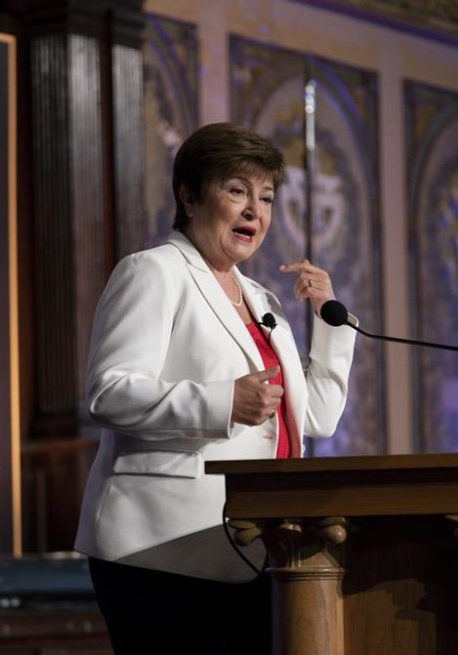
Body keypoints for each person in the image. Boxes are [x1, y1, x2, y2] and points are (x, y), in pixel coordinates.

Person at [74, 122, 357, 654]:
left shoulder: (263, 300)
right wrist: (224, 401)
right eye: (237, 191)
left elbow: (315, 416)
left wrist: (332, 324)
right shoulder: (153, 272)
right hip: (160, 549)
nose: (255, 210)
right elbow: (107, 392)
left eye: (266, 197)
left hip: (253, 548)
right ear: (189, 195)